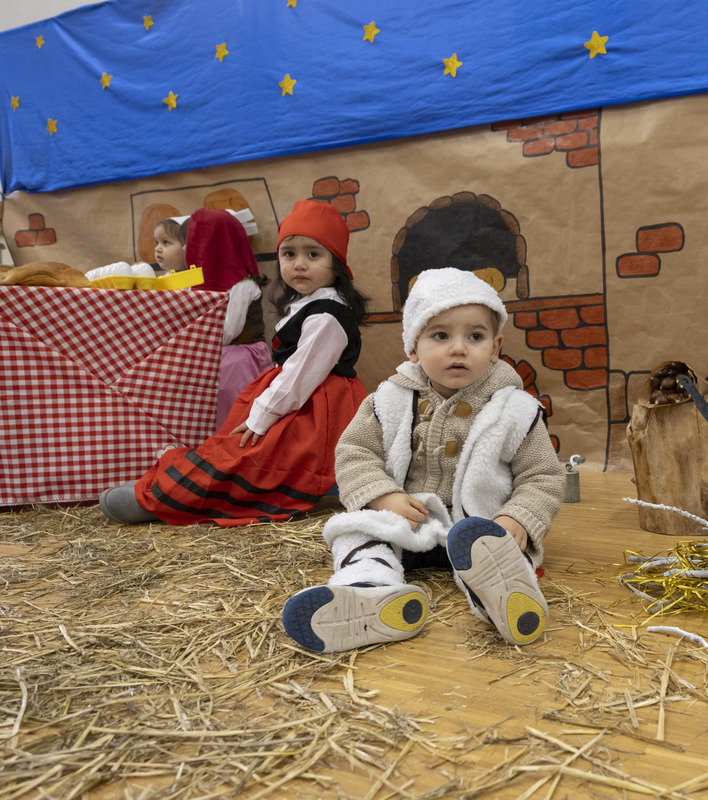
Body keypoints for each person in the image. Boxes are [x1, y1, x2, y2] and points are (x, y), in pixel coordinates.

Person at [281, 267, 564, 652]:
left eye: (475, 336)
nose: (459, 348)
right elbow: (354, 452)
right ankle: (370, 591)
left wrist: (518, 518)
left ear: (496, 348)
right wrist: (382, 497)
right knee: (357, 530)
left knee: (500, 550)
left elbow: (543, 476)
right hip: (409, 524)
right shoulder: (389, 400)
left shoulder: (515, 409)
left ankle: (503, 596)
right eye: (441, 336)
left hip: (477, 529)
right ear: (413, 347)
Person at [98, 200, 369, 527]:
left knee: (250, 453)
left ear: (336, 263)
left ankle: (164, 497)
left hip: (315, 410)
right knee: (231, 443)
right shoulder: (308, 303)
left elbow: (300, 377)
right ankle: (164, 484)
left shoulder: (327, 314)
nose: (299, 264)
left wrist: (262, 415)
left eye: (313, 254)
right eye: (289, 254)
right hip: (295, 398)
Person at [185, 208, 274, 427]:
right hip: (210, 354)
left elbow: (227, 332)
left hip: (240, 359)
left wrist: (193, 333)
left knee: (228, 396)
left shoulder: (242, 286)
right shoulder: (191, 284)